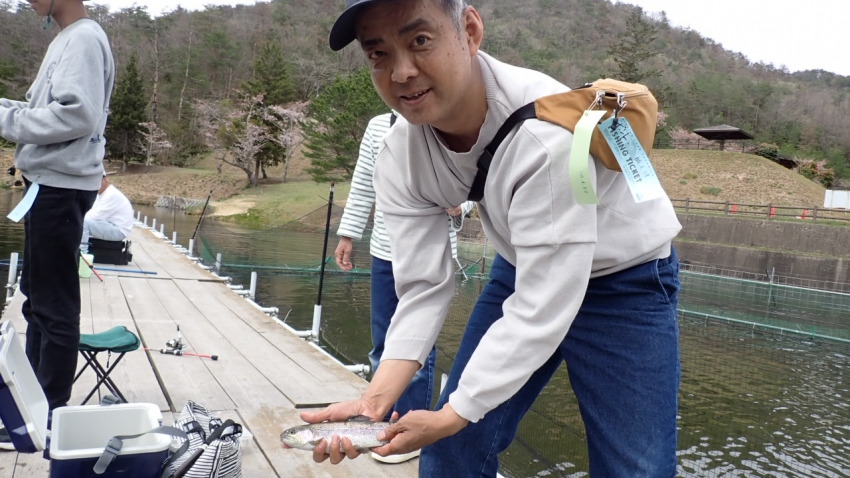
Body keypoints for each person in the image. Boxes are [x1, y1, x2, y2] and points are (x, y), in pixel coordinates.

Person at [294, 0, 683, 476]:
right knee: (451, 449)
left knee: (635, 468)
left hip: (626, 281)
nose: (401, 72)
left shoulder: (544, 136)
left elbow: (542, 306)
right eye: (378, 54)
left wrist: (453, 413)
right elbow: (423, 286)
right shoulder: (400, 153)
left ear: (470, 30)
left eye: (420, 41)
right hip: (522, 268)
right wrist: (374, 403)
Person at [0, 0, 114, 450]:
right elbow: (39, 108)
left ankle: (47, 417)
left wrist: (5, 120)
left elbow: (76, 114)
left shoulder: (83, 39)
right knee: (37, 301)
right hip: (48, 185)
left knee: (55, 305)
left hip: (59, 188)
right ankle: (30, 407)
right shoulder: (69, 38)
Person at [334, 111, 473, 463]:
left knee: (419, 345)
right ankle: (379, 422)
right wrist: (348, 235)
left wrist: (461, 206)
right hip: (384, 252)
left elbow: (477, 184)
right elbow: (363, 182)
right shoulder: (377, 126)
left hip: (431, 253)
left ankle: (407, 430)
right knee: (383, 341)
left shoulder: (451, 123)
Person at [80, 174, 134, 254]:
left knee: (84, 223)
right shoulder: (102, 194)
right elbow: (91, 212)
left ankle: (82, 253)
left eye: (96, 181)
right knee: (81, 222)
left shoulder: (111, 195)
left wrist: (77, 220)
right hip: (111, 225)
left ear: (104, 179)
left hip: (119, 230)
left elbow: (95, 216)